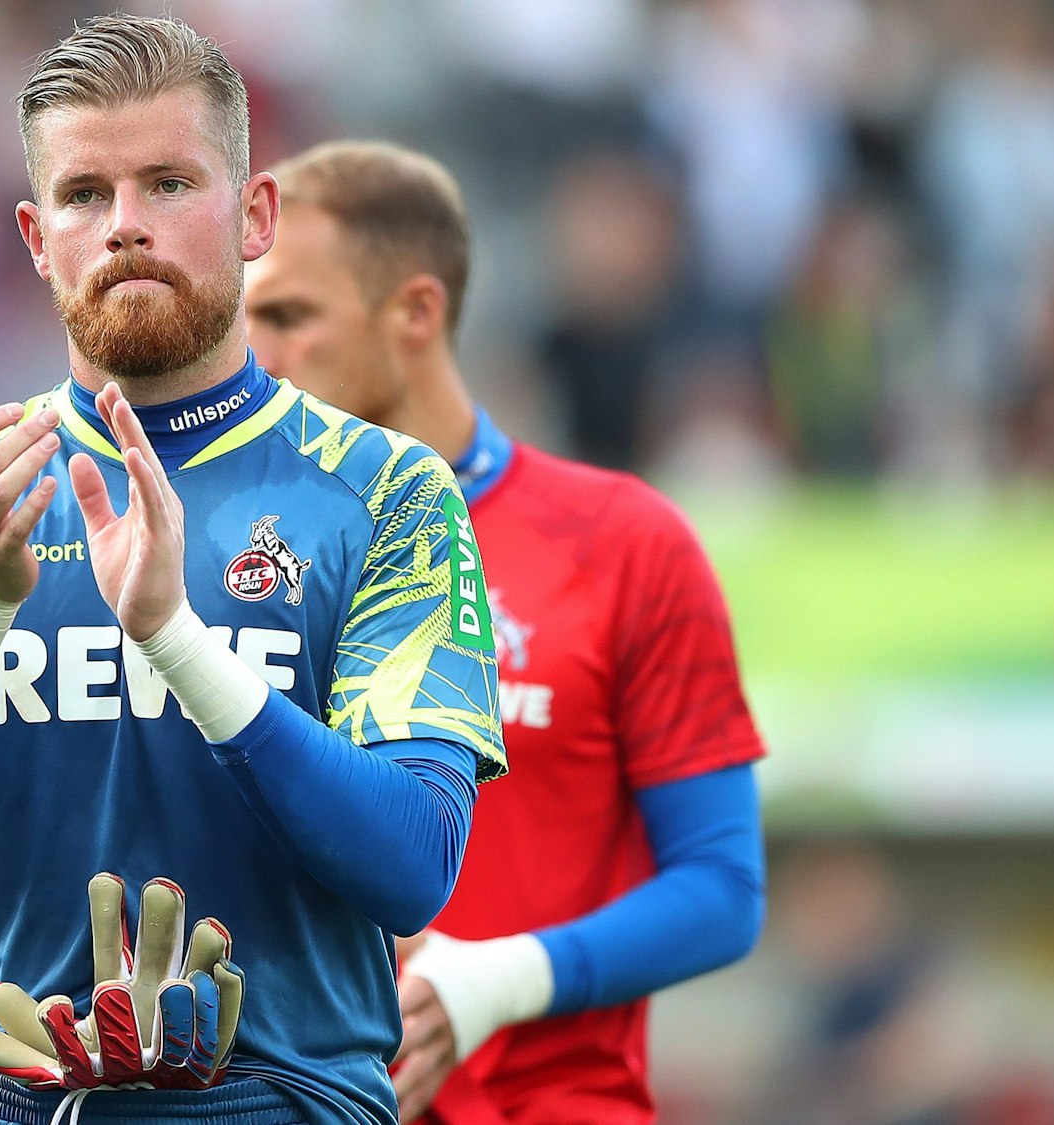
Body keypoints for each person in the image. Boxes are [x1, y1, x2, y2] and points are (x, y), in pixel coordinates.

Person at [0, 15, 504, 1125]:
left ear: (254, 213)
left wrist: (176, 639)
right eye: (84, 195)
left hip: (279, 1103)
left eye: (169, 183)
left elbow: (411, 863)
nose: (125, 225)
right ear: (34, 236)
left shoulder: (387, 493)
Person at [244, 140, 767, 1125]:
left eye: (287, 316)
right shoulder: (235, 556)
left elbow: (720, 887)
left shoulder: (622, 543)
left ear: (415, 312)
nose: (256, 358)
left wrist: (493, 983)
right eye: (244, 323)